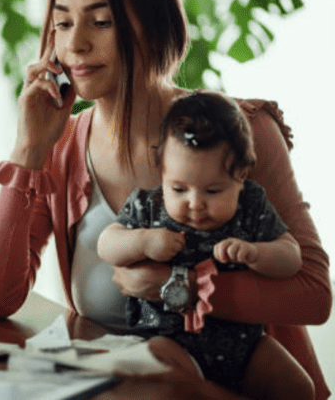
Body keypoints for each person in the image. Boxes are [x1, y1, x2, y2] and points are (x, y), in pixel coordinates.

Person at [0, 0, 331, 398]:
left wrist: (173, 286)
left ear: (155, 27)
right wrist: (28, 148)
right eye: (62, 23)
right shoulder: (62, 149)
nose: (76, 43)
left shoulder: (242, 130)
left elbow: (313, 294)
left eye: (101, 22)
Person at [97, 90, 310, 398]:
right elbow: (106, 244)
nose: (195, 203)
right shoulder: (150, 207)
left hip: (244, 343)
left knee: (299, 388)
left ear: (241, 176)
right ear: (162, 172)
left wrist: (257, 253)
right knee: (167, 382)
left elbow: (291, 257)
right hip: (167, 338)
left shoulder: (250, 205)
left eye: (212, 191)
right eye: (179, 188)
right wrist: (143, 241)